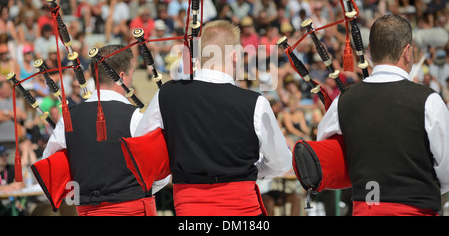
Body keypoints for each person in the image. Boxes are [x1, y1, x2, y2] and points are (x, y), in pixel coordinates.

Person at [134, 20, 292, 216]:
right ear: (234, 56)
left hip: (189, 208)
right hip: (242, 208)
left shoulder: (167, 94)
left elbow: (142, 149)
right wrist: (252, 171)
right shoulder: (256, 102)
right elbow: (281, 162)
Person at [317, 14, 449, 216]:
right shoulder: (429, 101)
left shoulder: (343, 101)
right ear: (408, 52)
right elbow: (446, 169)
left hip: (365, 208)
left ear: (369, 52)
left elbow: (326, 153)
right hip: (416, 209)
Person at [43, 44, 170, 216]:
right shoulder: (135, 117)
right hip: (132, 208)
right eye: (132, 74)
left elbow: (50, 165)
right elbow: (160, 174)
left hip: (88, 210)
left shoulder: (68, 119)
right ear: (122, 76)